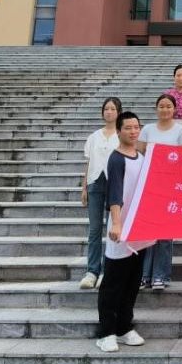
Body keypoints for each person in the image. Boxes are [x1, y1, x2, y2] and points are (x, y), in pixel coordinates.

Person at [95, 110, 147, 352]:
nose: (133, 131)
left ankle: (125, 327)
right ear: (118, 131)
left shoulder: (141, 157)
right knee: (113, 283)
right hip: (121, 229)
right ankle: (106, 332)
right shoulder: (116, 159)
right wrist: (116, 223)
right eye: (128, 128)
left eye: (136, 127)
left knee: (132, 282)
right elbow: (114, 193)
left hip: (139, 230)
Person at [139, 94, 182, 291]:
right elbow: (140, 155)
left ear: (174, 109)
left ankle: (161, 275)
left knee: (165, 234)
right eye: (161, 106)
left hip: (169, 186)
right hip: (149, 185)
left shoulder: (180, 131)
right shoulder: (147, 130)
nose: (165, 109)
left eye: (169, 106)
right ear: (156, 108)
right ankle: (145, 275)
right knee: (148, 232)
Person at [79, 96, 122, 289]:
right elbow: (89, 163)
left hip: (115, 185)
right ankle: (92, 271)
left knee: (112, 228)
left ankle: (108, 271)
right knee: (95, 229)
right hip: (95, 183)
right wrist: (84, 187)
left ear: (118, 112)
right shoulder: (94, 136)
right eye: (106, 109)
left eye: (113, 109)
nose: (109, 112)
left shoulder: (121, 135)